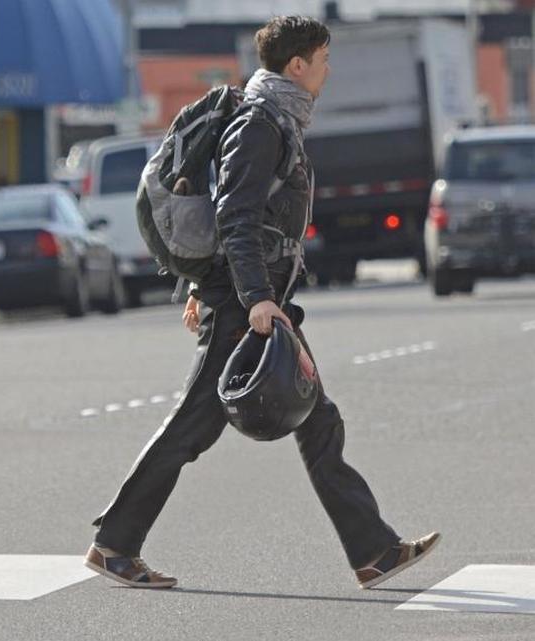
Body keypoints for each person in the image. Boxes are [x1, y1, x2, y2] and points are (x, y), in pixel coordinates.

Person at [84, 15, 439, 591]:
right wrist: (251, 298)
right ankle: (115, 544)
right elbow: (235, 216)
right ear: (296, 65)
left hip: (260, 296)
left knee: (318, 418)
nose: (328, 71)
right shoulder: (259, 123)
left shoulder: (276, 117)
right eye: (323, 60)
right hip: (251, 301)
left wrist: (223, 289)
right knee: (193, 427)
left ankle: (374, 551)